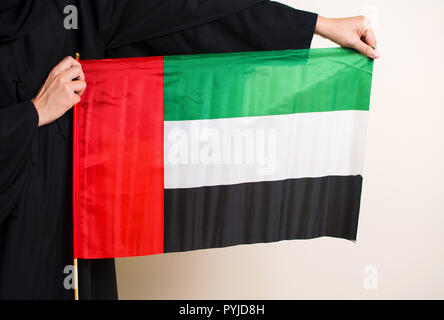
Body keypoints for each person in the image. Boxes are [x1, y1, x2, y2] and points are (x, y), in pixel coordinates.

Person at [0, 0, 378, 300]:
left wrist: (317, 25)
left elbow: (184, 14)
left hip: (68, 214)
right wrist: (33, 113)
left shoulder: (70, 8)